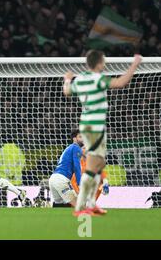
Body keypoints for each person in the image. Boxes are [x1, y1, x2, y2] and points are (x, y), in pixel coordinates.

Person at [64, 50, 141, 216]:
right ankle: (80, 207)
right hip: (95, 126)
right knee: (93, 166)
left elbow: (67, 92)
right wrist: (134, 64)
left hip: (87, 125)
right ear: (99, 63)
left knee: (98, 164)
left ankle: (91, 204)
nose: (104, 64)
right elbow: (121, 83)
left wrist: (67, 80)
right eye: (103, 61)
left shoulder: (82, 79)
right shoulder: (97, 79)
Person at [49, 130, 83, 207]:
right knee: (79, 205)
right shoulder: (76, 148)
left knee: (60, 206)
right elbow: (76, 167)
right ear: (74, 139)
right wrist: (80, 184)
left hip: (53, 179)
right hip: (61, 180)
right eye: (80, 137)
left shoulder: (69, 148)